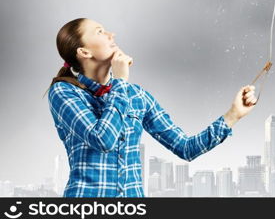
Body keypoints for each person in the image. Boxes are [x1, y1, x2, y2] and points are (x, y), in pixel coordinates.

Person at [44, 17, 257, 197]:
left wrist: (233, 115)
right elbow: (102, 139)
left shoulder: (137, 96)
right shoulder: (63, 92)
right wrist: (120, 82)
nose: (112, 35)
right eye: (100, 32)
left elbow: (185, 148)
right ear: (84, 52)